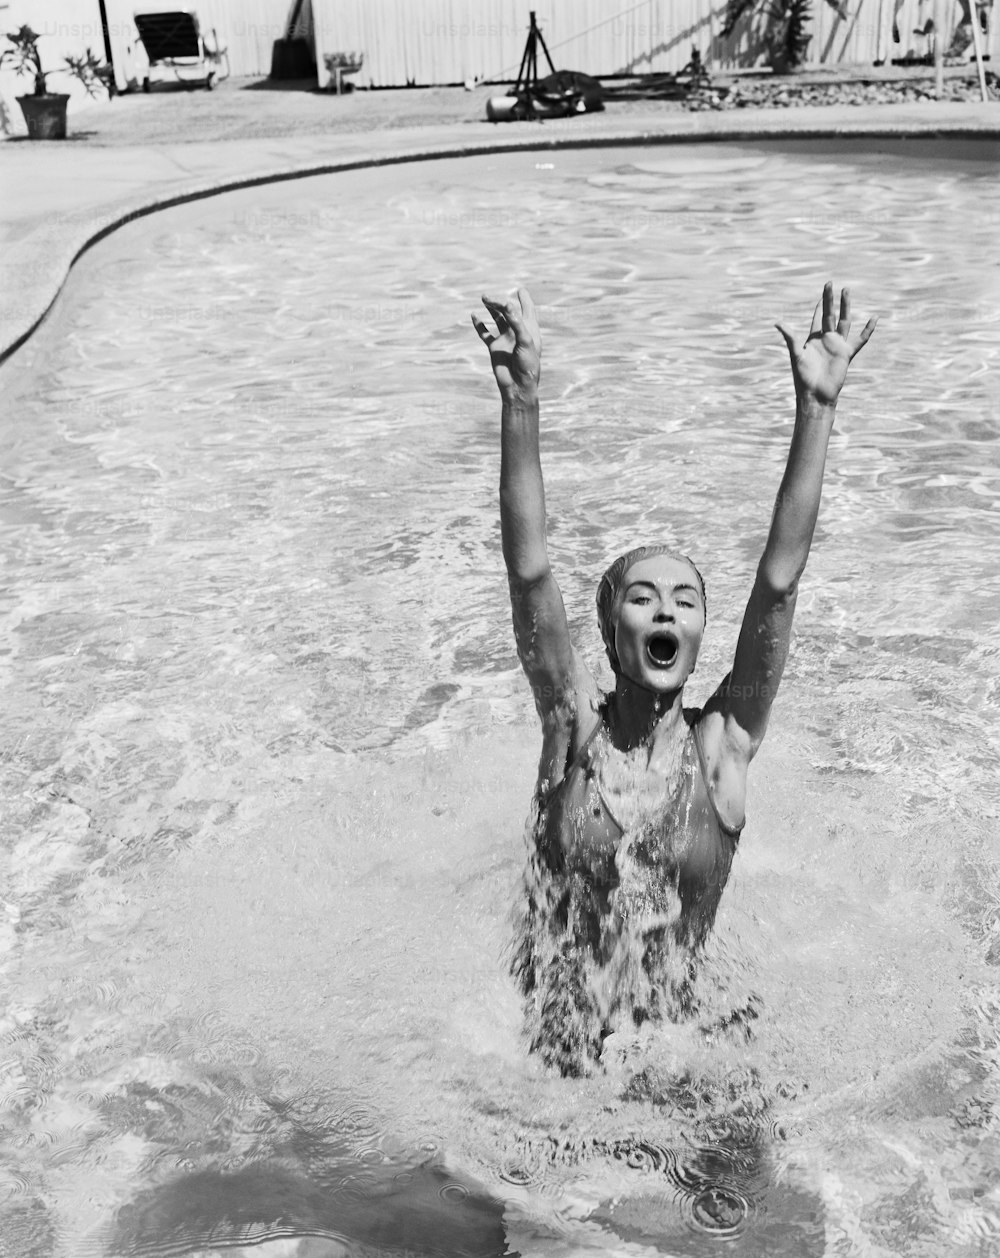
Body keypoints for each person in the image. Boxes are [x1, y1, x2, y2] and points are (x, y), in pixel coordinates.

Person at [472, 284, 877, 1077]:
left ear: (697, 634)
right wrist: (521, 403)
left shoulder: (723, 748)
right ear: (611, 630)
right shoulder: (571, 726)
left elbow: (780, 583)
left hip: (676, 1055)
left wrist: (817, 411)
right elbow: (529, 573)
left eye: (686, 600)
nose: (668, 612)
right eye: (643, 597)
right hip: (548, 1066)